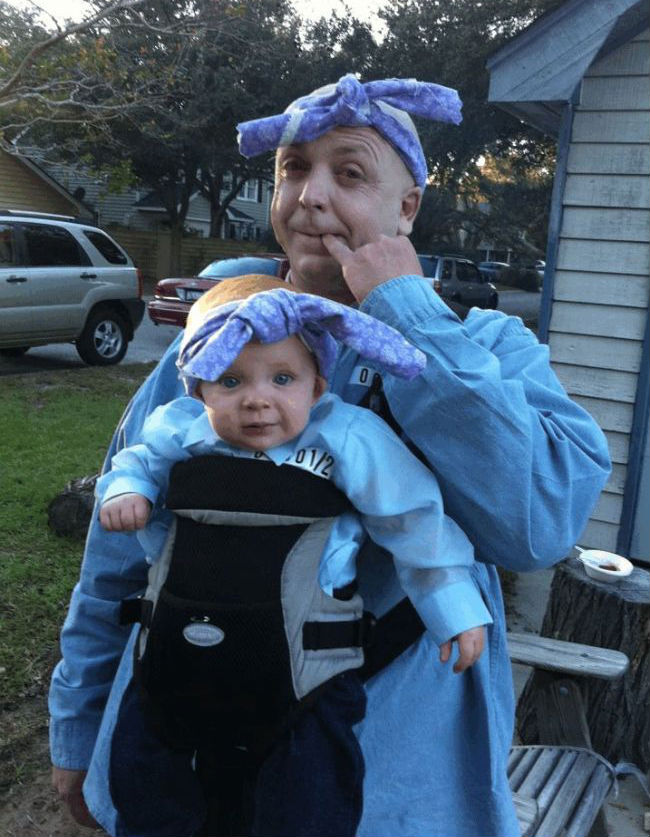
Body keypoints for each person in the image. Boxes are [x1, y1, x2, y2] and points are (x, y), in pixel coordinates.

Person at [50, 74, 611, 837]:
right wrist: (78, 727)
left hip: (386, 789)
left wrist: (404, 312)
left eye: (348, 172)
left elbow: (537, 523)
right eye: (293, 168)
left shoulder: (489, 348)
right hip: (176, 764)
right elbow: (113, 565)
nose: (311, 195)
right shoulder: (209, 355)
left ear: (406, 206)